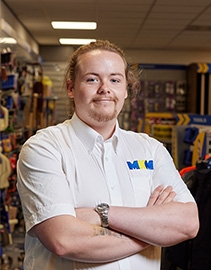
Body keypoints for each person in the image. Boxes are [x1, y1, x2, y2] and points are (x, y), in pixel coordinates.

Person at [17, 40, 199, 270]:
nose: (105, 88)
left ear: (126, 90)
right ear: (71, 88)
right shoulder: (44, 149)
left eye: (114, 79)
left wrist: (103, 215)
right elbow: (64, 240)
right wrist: (154, 230)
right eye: (92, 79)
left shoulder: (150, 149)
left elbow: (188, 223)